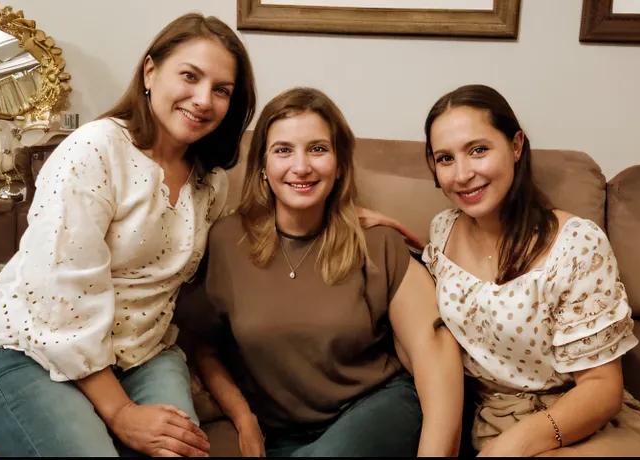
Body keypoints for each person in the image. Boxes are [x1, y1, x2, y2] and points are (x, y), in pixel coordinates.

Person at [0, 13, 256, 456]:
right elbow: (61, 298)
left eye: (221, 90)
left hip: (144, 355)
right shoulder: (94, 149)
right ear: (150, 72)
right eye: (190, 76)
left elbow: (246, 236)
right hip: (32, 350)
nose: (203, 99)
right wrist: (120, 412)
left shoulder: (210, 183)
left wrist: (345, 212)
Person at [184, 87, 464, 457]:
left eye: (318, 149)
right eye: (283, 150)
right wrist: (243, 417)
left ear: (340, 164)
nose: (301, 167)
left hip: (379, 409)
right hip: (283, 436)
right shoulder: (226, 241)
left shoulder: (377, 242)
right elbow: (203, 346)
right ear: (263, 168)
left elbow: (436, 359)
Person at [421, 84, 640, 457]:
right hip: (493, 417)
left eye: (478, 150)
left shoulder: (576, 245)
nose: (462, 174)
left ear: (516, 145)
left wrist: (515, 445)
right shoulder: (442, 230)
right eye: (445, 158)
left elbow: (602, 387)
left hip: (581, 420)